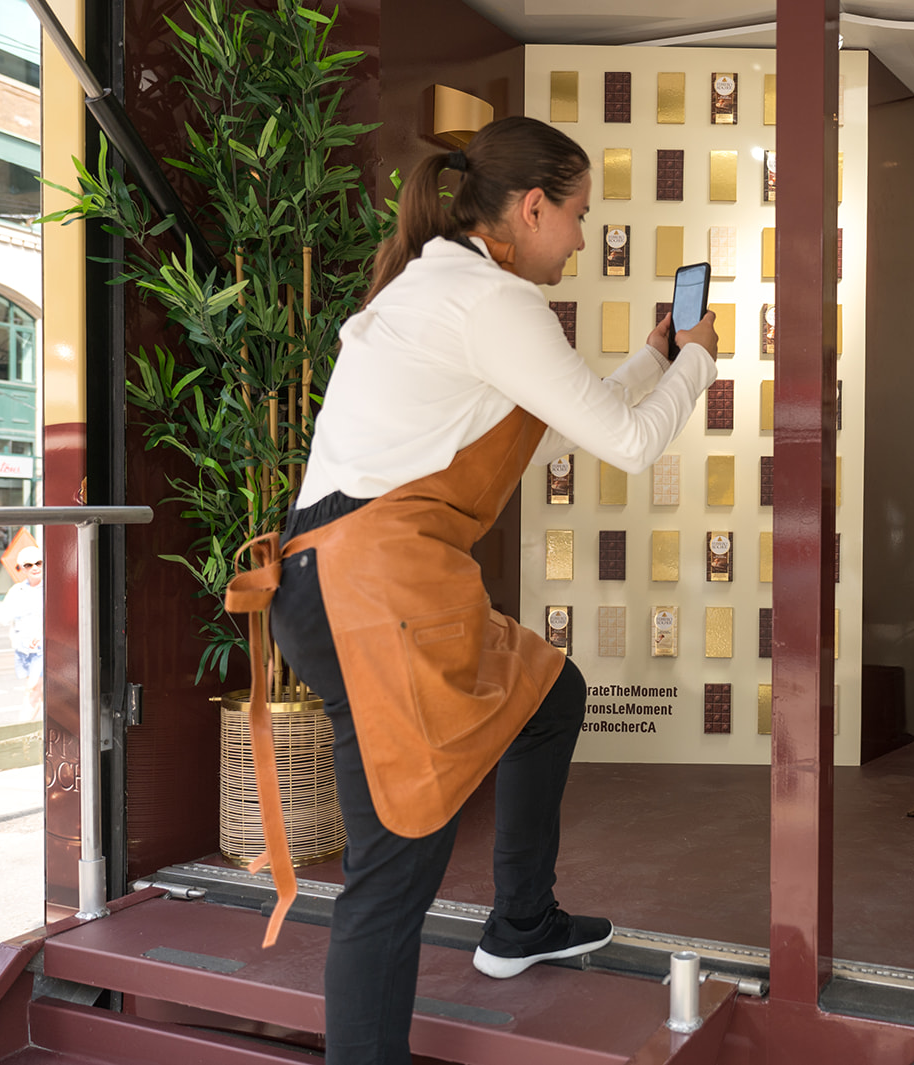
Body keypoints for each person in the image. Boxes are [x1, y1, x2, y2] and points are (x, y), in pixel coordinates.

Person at [228, 116, 718, 1065]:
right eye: (576, 215)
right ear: (532, 208)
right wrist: (700, 356)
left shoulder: (448, 283)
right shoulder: (493, 302)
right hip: (377, 593)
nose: (580, 237)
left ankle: (521, 921)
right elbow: (628, 442)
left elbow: (589, 406)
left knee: (552, 692)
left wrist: (659, 354)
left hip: (349, 581)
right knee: (393, 868)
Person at [0, 545, 44, 719]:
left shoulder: (51, 589)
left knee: (33, 689)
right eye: (28, 565)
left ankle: (22, 730)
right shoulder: (17, 590)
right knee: (36, 691)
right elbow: (5, 614)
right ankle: (38, 729)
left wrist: (42, 635)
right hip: (24, 650)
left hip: (44, 649)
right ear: (22, 569)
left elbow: (57, 616)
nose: (34, 567)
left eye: (38, 563)